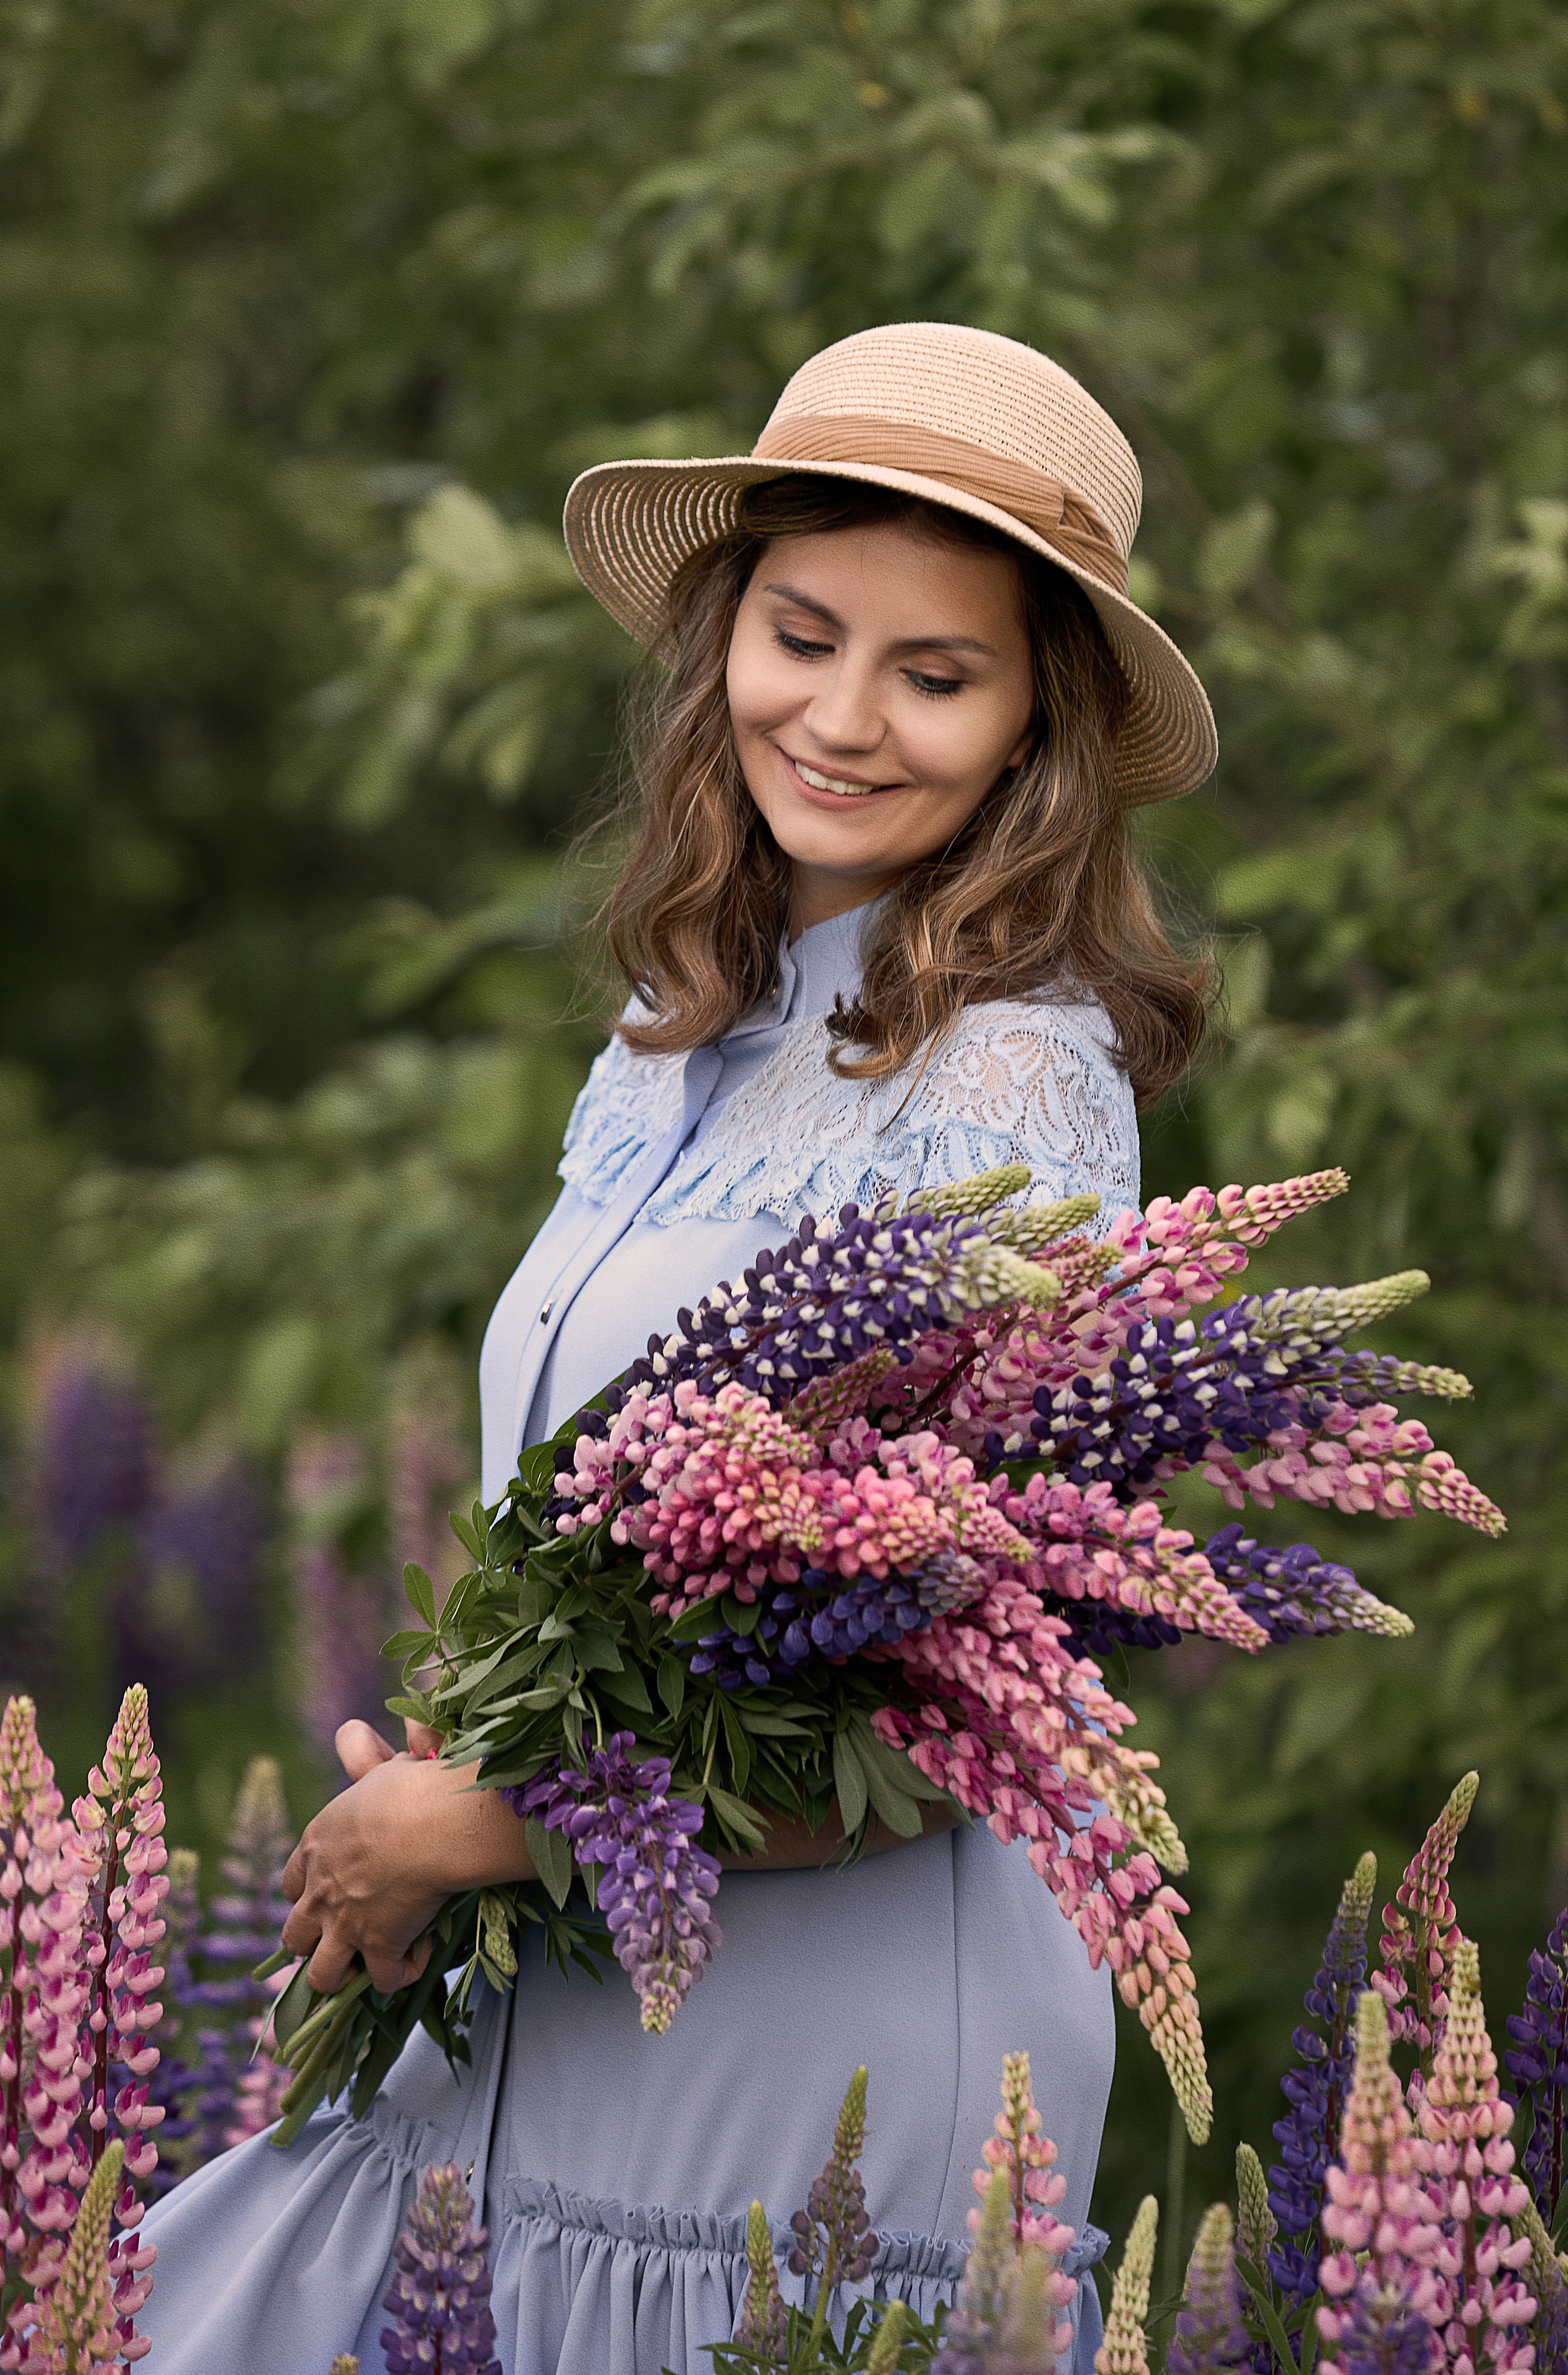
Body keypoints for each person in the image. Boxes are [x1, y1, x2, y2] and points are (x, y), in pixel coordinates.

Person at [137, 321, 1217, 2374]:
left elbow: (978, 1684)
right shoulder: (680, 1034)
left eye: (938, 671)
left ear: (1032, 731)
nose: (845, 718)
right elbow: (617, 1549)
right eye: (805, 635)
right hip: (574, 2001)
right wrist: (470, 1780)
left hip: (831, 2065)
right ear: (729, 628)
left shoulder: (1015, 1085)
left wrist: (508, 1827)